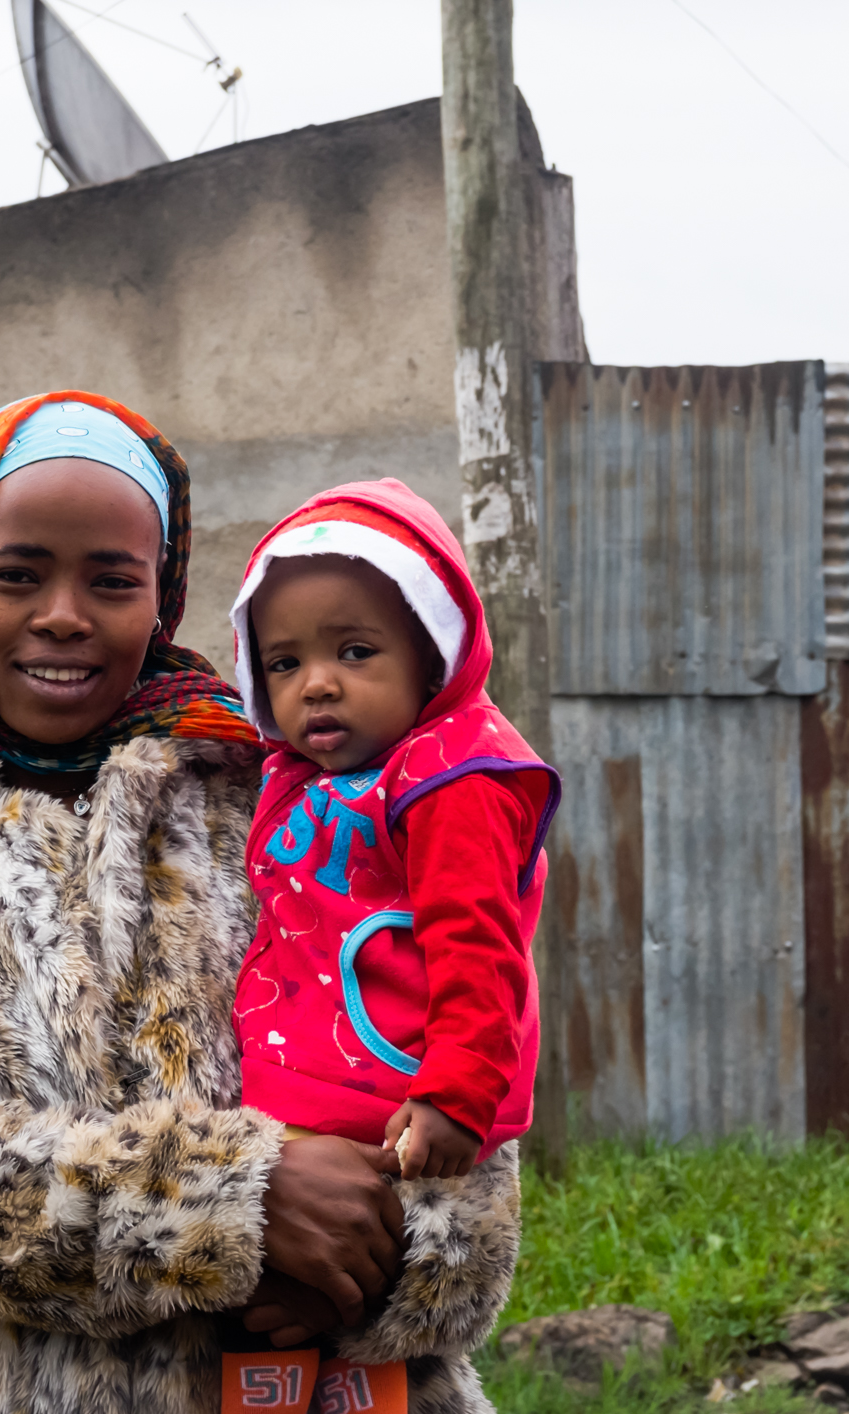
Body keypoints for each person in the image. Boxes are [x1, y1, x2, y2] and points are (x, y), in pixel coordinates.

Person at [0, 396, 521, 1413]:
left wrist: (388, 1264)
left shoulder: (294, 804)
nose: (64, 614)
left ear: (162, 592)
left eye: (112, 579)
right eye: (18, 574)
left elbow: (459, 1090)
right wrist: (235, 1202)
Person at [225, 479, 559, 1192]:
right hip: (296, 1089)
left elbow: (478, 943)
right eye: (283, 663)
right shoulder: (301, 773)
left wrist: (455, 1095)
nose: (316, 684)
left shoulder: (451, 779)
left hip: (391, 1109)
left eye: (354, 651)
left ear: (432, 657)